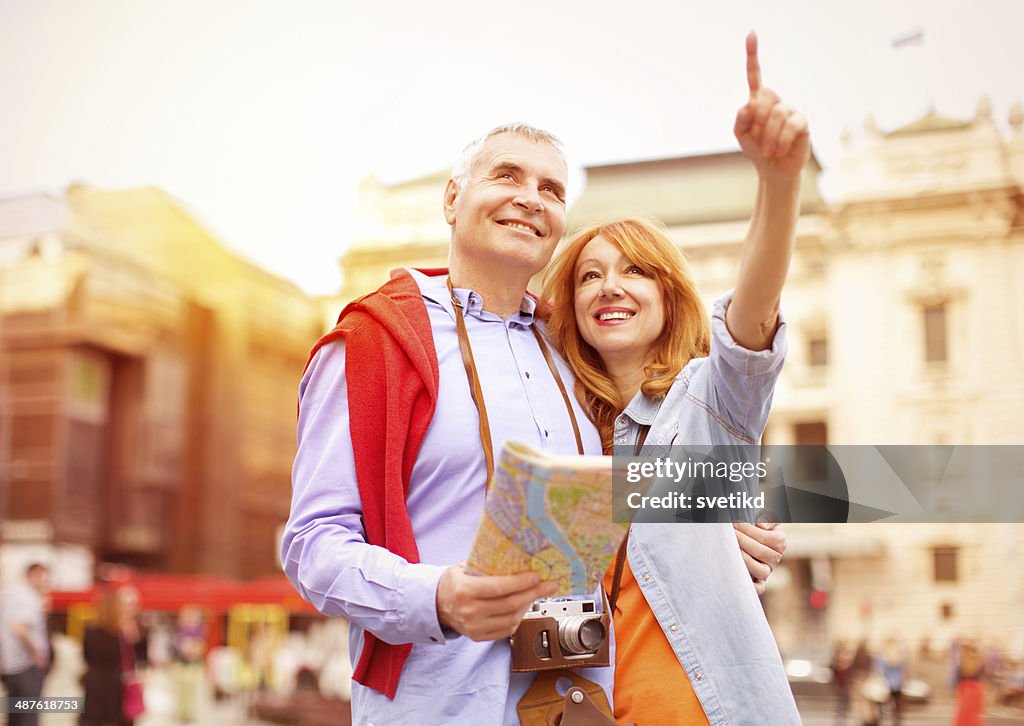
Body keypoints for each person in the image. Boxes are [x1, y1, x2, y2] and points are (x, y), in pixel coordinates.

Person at [283, 116, 787, 723]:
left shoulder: (576, 355)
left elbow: (609, 492)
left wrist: (698, 530)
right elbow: (313, 544)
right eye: (506, 176)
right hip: (442, 704)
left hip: (579, 707)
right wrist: (437, 597)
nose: (529, 198)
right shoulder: (375, 344)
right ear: (452, 199)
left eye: (551, 190)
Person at [539, 31, 805, 724]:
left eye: (633, 270)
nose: (609, 286)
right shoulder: (560, 435)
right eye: (589, 275)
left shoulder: (709, 402)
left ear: (668, 295)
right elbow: (548, 634)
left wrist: (778, 182)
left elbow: (754, 311)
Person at [80, 585, 146, 726]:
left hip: (95, 684)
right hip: (116, 684)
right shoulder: (122, 633)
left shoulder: (90, 630)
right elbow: (134, 659)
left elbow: (86, 656)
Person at [0, 563, 51, 726]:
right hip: (26, 666)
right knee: (28, 716)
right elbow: (19, 628)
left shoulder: (10, 596)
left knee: (15, 715)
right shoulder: (29, 597)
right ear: (34, 575)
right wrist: (36, 654)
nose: (47, 583)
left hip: (12, 666)